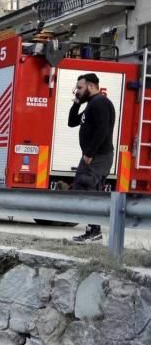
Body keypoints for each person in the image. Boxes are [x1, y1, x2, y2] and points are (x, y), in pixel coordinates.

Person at [68, 72, 115, 243]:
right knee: (81, 188)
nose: (77, 91)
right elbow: (72, 122)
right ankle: (91, 230)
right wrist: (77, 103)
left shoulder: (101, 103)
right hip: (91, 155)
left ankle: (95, 232)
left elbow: (103, 129)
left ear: (90, 86)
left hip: (99, 156)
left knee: (90, 188)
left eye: (80, 88)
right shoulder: (91, 104)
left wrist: (90, 153)